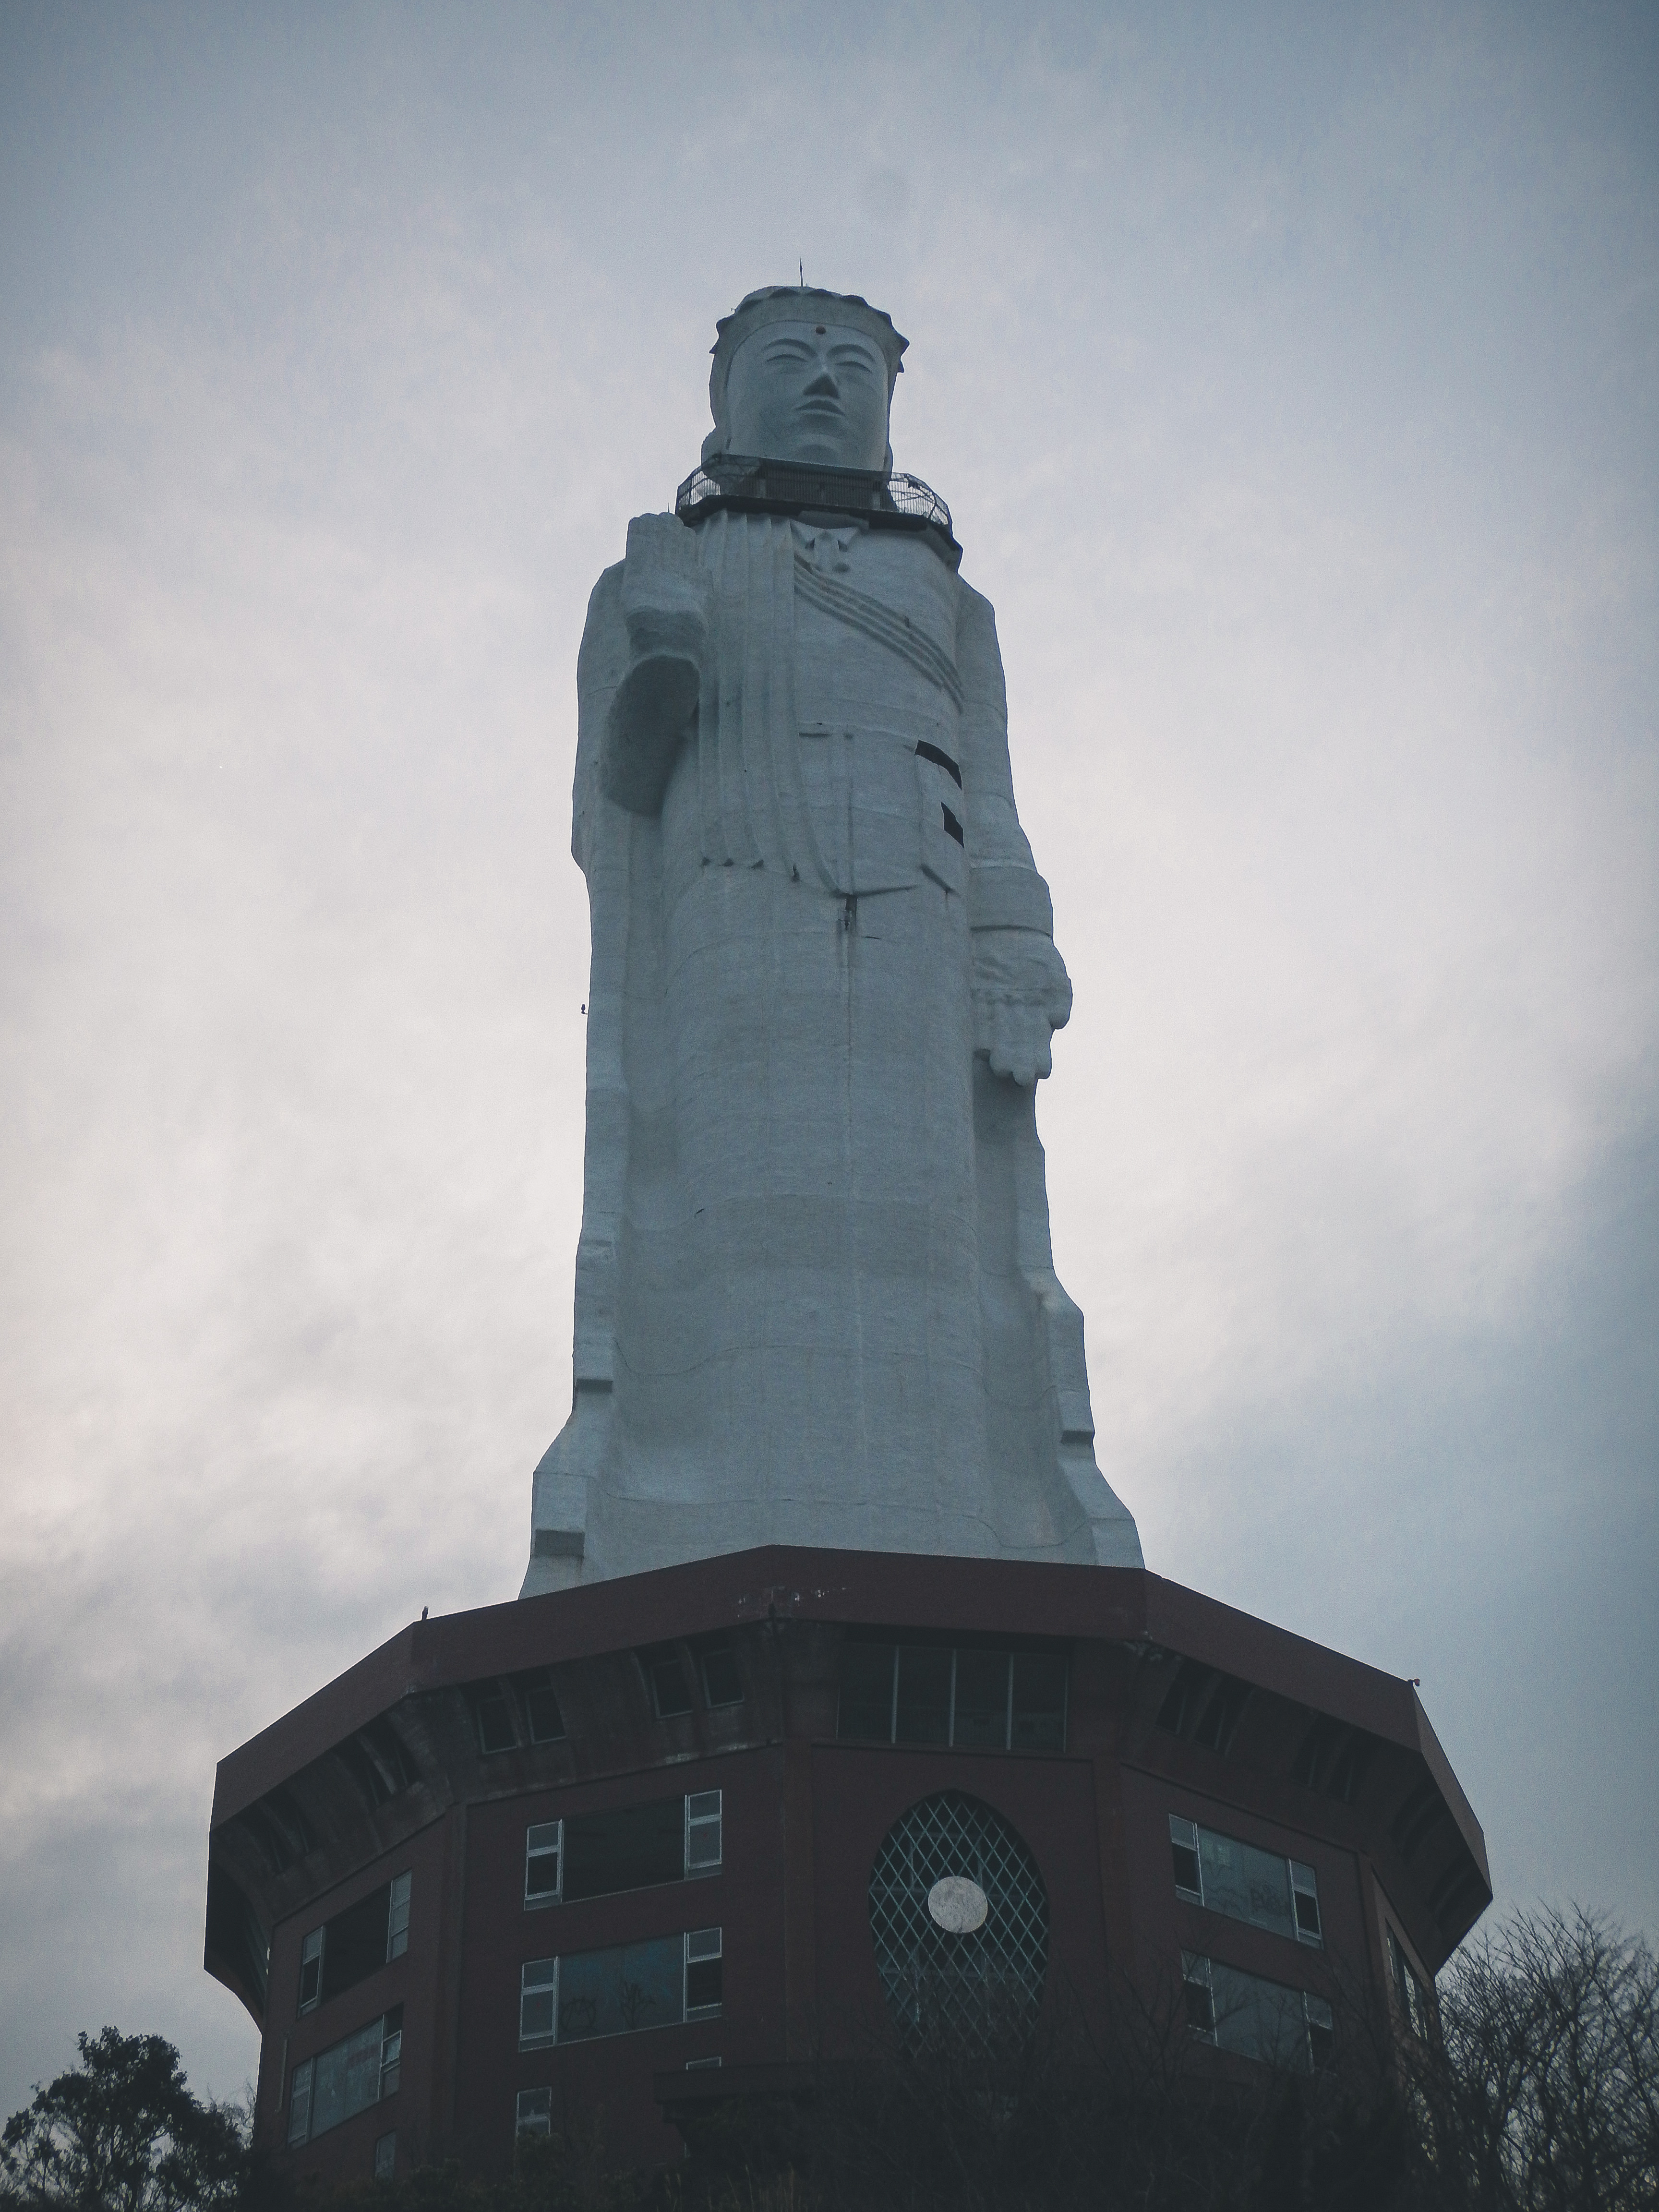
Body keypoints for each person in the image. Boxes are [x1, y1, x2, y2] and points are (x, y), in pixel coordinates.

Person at [522, 287, 1141, 1594]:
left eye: (853, 364)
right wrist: (661, 666)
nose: (822, 385)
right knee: (722, 1205)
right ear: (722, 395)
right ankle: (714, 1528)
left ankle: (954, 1542)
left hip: (917, 905)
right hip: (734, 897)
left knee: (930, 1217)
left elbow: (1001, 797)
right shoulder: (661, 563)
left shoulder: (950, 601)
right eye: (787, 360)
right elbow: (619, 792)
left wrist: (1015, 937)